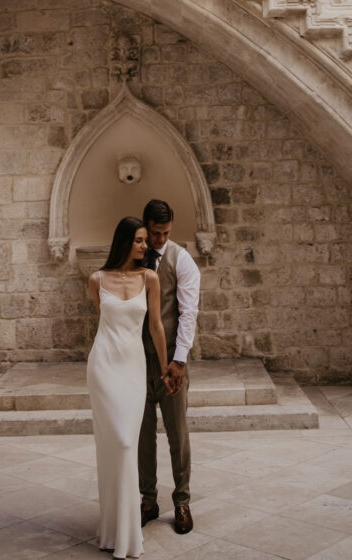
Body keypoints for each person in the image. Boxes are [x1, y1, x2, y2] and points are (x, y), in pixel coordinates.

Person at [87, 216, 170, 560]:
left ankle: (124, 532)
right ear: (124, 241)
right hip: (104, 367)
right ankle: (113, 531)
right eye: (138, 240)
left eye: (144, 241)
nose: (144, 245)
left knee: (125, 442)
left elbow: (154, 326)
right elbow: (104, 323)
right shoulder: (96, 279)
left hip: (134, 368)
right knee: (113, 447)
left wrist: (167, 370)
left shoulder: (149, 278)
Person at [139, 199, 201, 535]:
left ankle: (182, 501)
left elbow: (188, 313)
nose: (160, 239)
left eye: (165, 233)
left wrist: (179, 361)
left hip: (171, 364)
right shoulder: (136, 256)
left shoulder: (182, 260)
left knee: (177, 434)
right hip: (137, 363)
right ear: (146, 227)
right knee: (142, 436)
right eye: (155, 233)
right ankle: (148, 500)